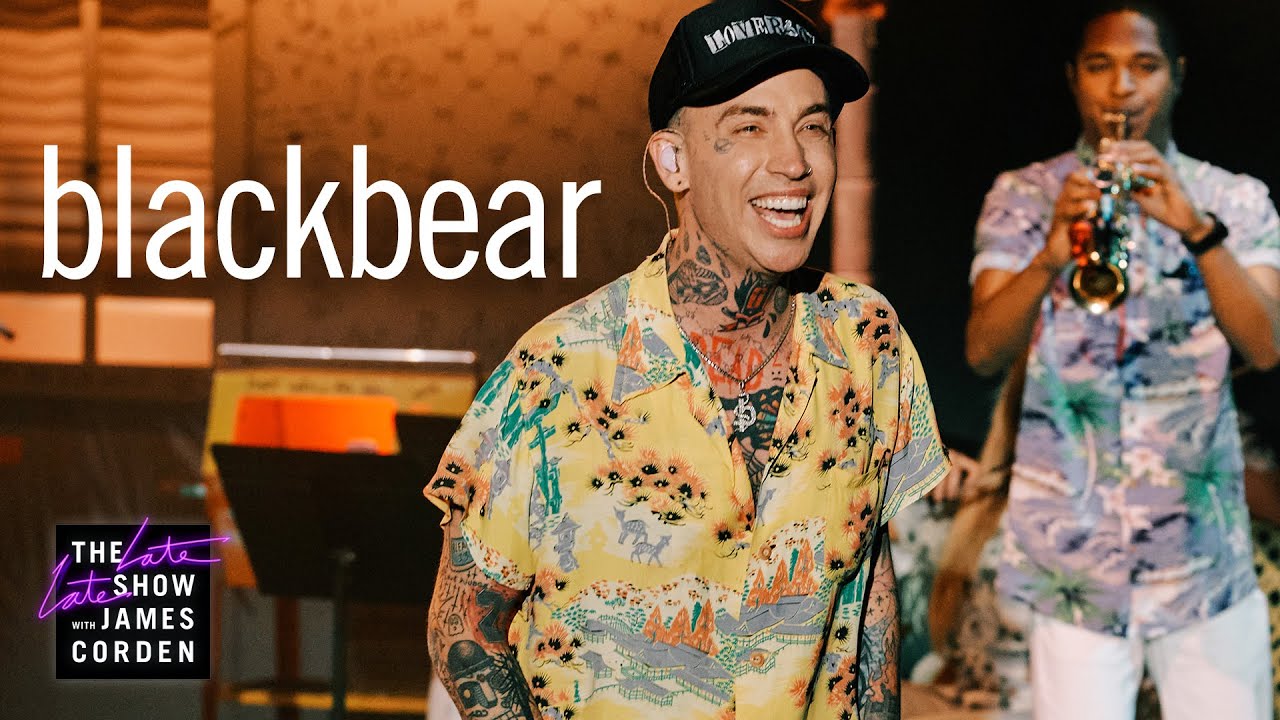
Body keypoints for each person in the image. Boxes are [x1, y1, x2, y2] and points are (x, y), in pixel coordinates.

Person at [422, 1, 951, 718]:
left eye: (813, 126)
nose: (794, 162)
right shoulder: (560, 370)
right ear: (674, 161)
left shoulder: (866, 340)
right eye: (749, 127)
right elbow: (464, 630)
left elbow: (870, 592)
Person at [965, 2, 1280, 719]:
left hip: (1202, 556)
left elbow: (1266, 345)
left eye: (1145, 66)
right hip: (1072, 558)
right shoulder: (1023, 196)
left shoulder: (1234, 198)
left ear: (1177, 77)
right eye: (1100, 66)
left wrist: (1197, 230)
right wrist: (1051, 253)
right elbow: (983, 351)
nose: (1122, 88)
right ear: (1073, 78)